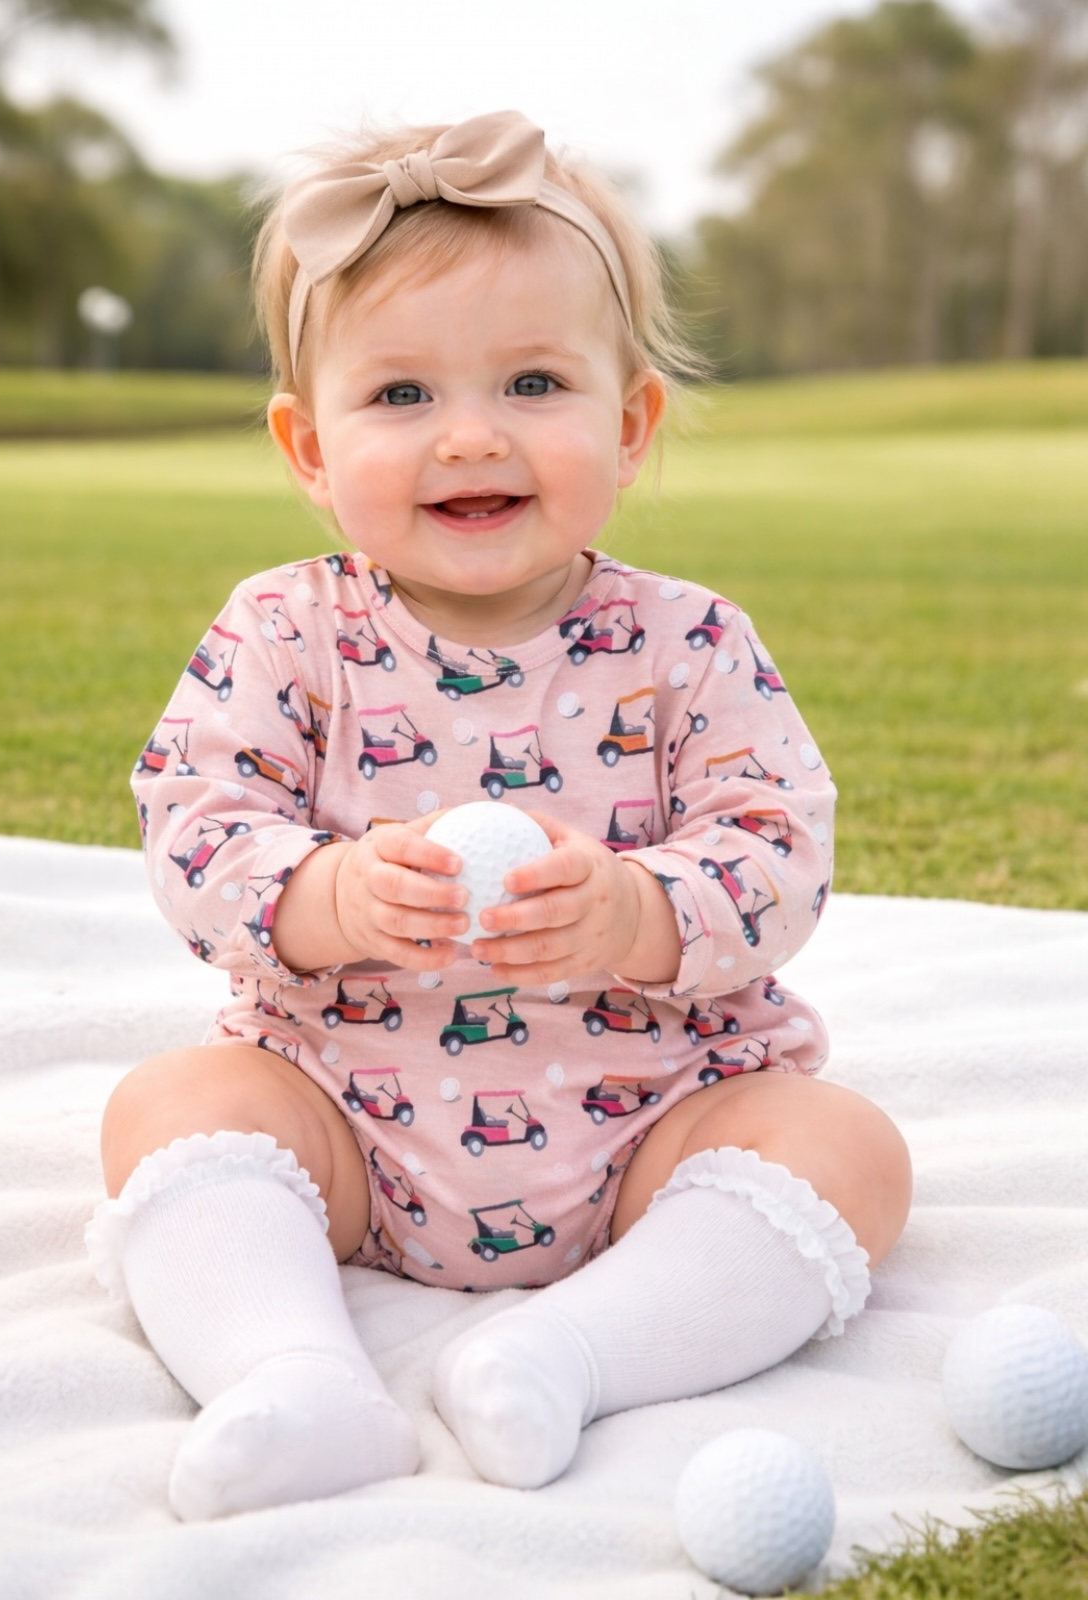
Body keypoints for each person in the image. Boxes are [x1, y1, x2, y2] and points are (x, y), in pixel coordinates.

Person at [86, 111, 912, 1521]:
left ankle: (570, 1351)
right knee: (171, 1108)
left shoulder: (688, 643)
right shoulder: (286, 632)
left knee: (850, 1150)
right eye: (401, 396)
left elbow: (781, 845)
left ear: (629, 421)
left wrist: (642, 911)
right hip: (349, 1103)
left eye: (534, 382)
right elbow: (193, 813)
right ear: (307, 443)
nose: (471, 435)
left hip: (656, 1116)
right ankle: (294, 1374)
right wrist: (321, 894)